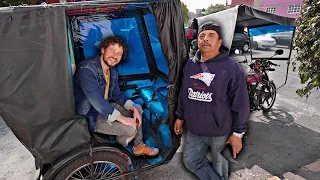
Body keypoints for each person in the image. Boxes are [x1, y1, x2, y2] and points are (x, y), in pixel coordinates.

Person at [174, 21, 250, 180]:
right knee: (190, 160)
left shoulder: (231, 68)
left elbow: (241, 103)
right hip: (194, 130)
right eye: (202, 36)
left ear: (219, 42)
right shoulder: (190, 64)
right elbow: (184, 92)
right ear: (198, 41)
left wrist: (238, 133)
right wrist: (180, 116)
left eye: (211, 35)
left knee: (220, 169)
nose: (205, 39)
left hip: (220, 133)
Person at [74, 36, 159, 157]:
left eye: (119, 53)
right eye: (112, 50)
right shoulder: (86, 69)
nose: (115, 56)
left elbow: (117, 94)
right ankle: (118, 154)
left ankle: (138, 146)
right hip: (91, 116)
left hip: (105, 109)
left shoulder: (112, 72)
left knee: (138, 109)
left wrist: (133, 107)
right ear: (103, 50)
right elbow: (97, 101)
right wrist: (124, 120)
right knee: (130, 129)